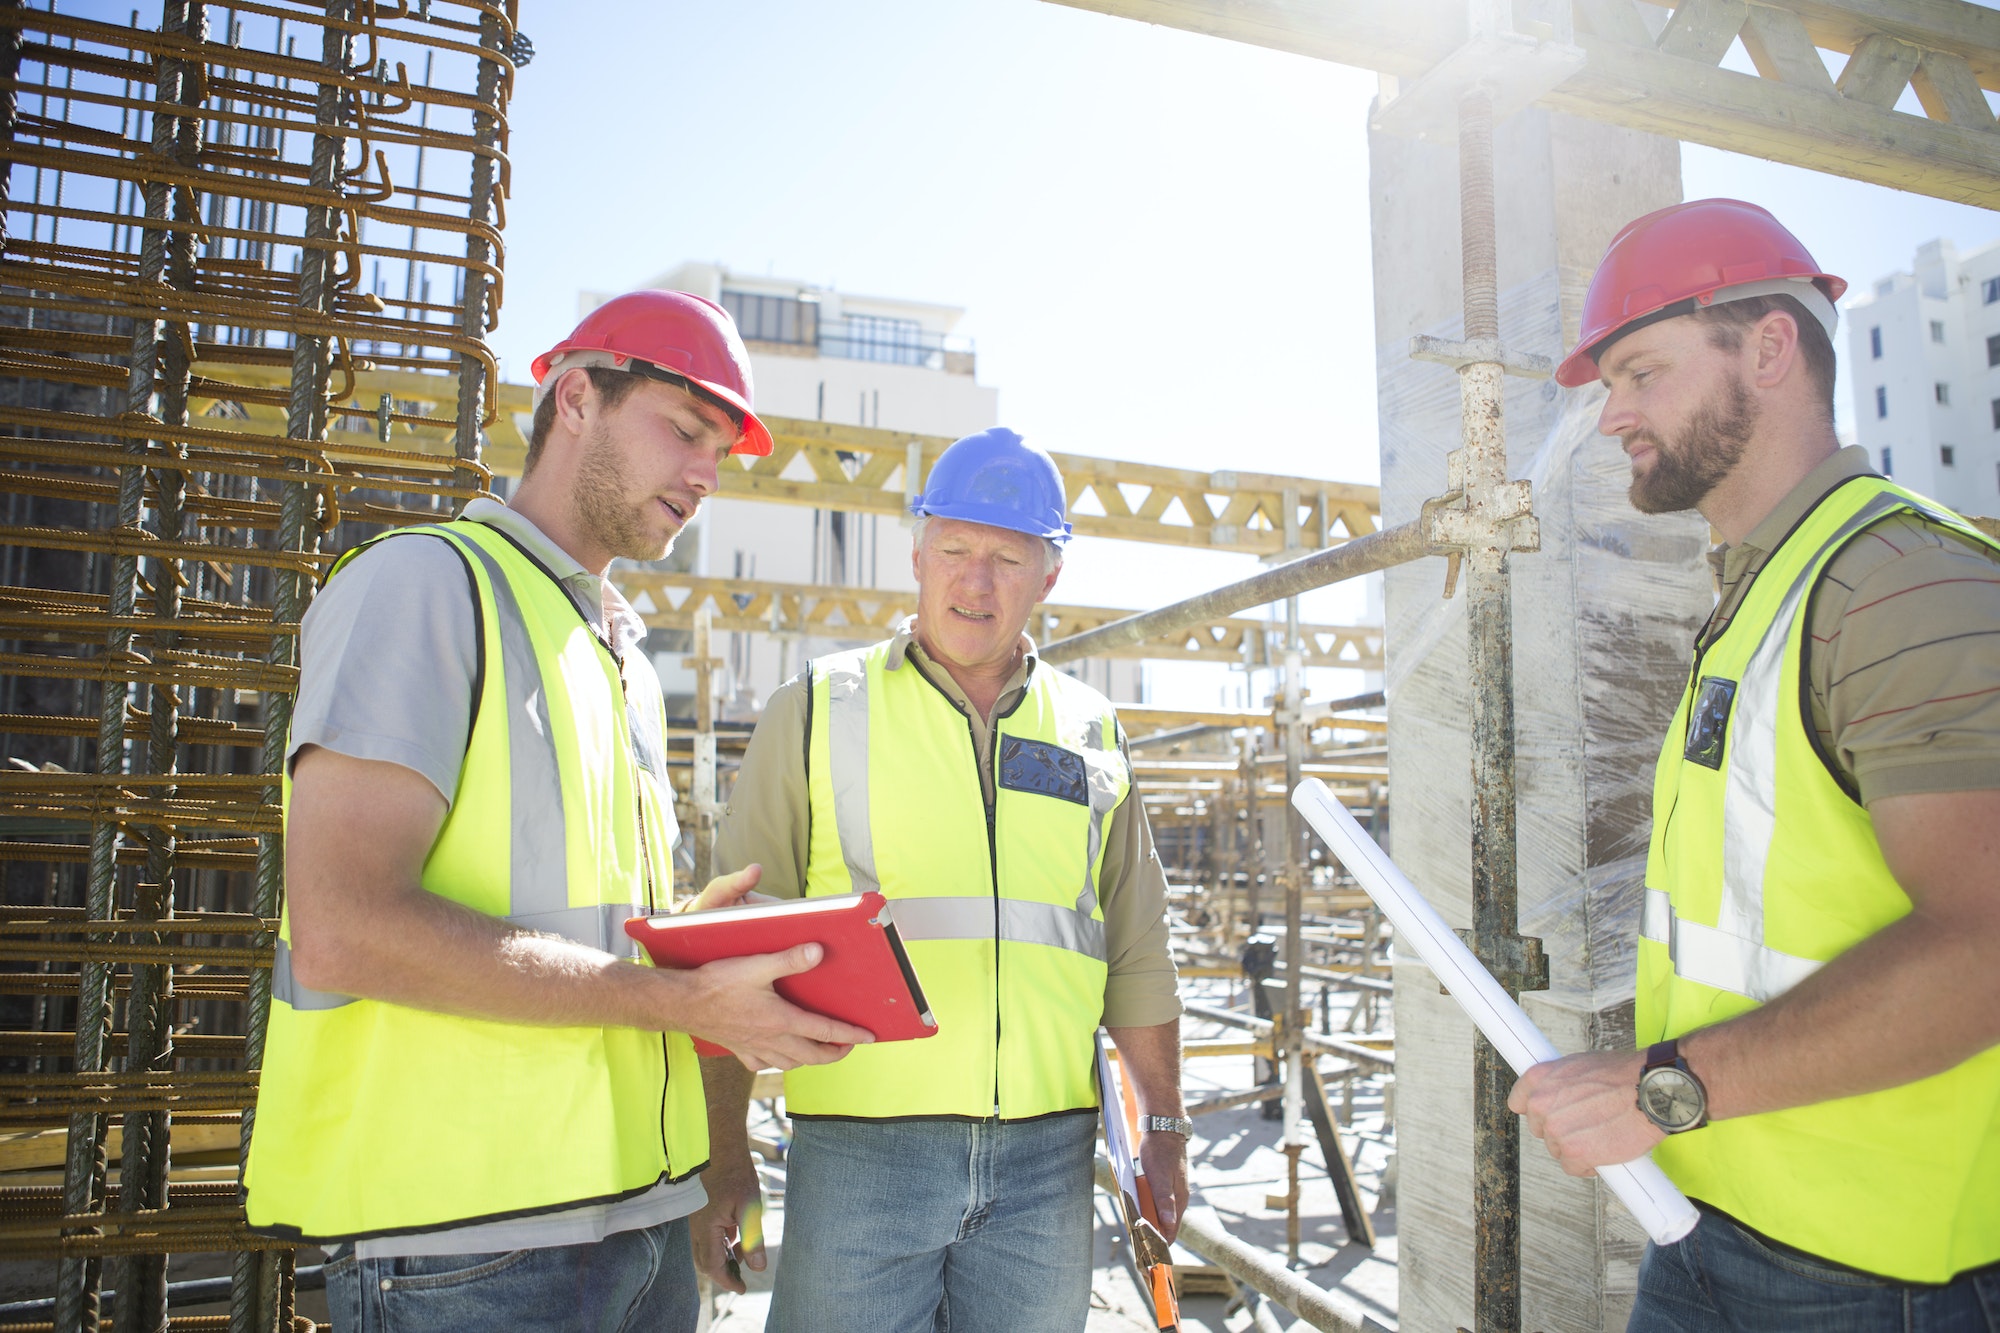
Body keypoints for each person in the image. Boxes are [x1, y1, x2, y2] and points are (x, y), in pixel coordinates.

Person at [242, 290, 873, 1333]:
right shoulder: (428, 586)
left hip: (634, 1221)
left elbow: (572, 917)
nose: (704, 475)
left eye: (720, 452)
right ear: (575, 398)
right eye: (682, 430)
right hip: (466, 1244)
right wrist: (679, 1001)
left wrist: (692, 939)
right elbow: (344, 930)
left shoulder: (615, 656)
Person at [1510, 199, 2000, 1328]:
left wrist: (1663, 1085)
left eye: (1638, 371)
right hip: (1711, 1217)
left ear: (1768, 346)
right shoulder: (1757, 599)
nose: (1610, 413)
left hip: (1871, 1280)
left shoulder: (1893, 588)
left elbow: (1986, 945)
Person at [694, 427, 1190, 1332]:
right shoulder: (816, 707)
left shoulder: (1091, 729)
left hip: (1048, 1160)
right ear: (916, 554)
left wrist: (1163, 1124)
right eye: (956, 550)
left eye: (1007, 556)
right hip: (860, 1158)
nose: (976, 580)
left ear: (1049, 575)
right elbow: (727, 947)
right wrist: (721, 1152)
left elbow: (1135, 942)